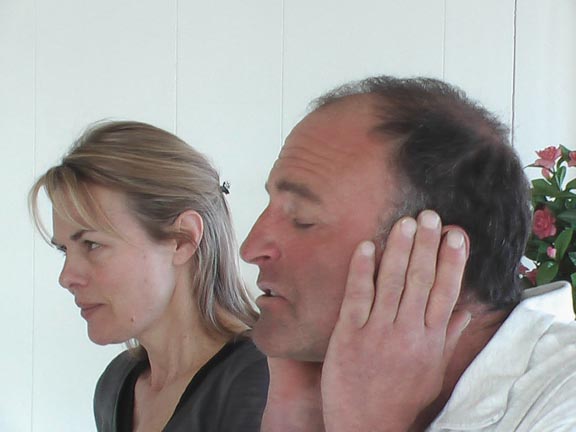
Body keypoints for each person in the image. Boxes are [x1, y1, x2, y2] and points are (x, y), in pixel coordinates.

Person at [241, 76, 576, 431]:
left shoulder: (563, 402)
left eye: (302, 219)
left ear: (437, 259)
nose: (250, 249)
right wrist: (296, 416)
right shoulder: (305, 393)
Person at [29, 121, 268, 432]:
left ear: (183, 239)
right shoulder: (115, 385)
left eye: (92, 244)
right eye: (65, 250)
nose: (67, 277)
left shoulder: (259, 384)